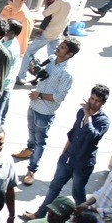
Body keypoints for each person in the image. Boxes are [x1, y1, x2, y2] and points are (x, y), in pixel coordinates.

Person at [39, 87, 111, 208]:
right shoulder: (81, 112)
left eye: (97, 100)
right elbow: (73, 133)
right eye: (92, 98)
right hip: (68, 158)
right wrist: (63, 154)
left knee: (77, 193)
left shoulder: (103, 121)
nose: (93, 103)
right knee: (54, 186)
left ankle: (81, 217)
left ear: (103, 102)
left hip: (82, 164)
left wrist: (88, 115)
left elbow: (91, 136)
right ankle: (40, 213)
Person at [20, 38, 78, 186]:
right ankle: (28, 149)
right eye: (60, 45)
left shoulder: (67, 74)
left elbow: (59, 97)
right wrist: (34, 69)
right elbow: (40, 74)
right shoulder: (51, 59)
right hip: (34, 104)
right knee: (31, 131)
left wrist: (39, 96)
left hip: (45, 111)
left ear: (69, 54)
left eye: (63, 47)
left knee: (40, 141)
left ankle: (32, 169)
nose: (58, 48)